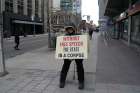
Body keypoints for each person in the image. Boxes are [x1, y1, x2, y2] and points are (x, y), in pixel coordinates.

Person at [59, 23, 85, 90]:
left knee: (80, 66)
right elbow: (61, 46)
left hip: (77, 54)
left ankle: (81, 81)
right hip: (68, 54)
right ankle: (62, 81)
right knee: (65, 66)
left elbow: (82, 44)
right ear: (67, 30)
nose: (70, 30)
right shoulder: (65, 36)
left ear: (73, 29)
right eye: (68, 29)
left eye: (71, 28)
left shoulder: (78, 35)